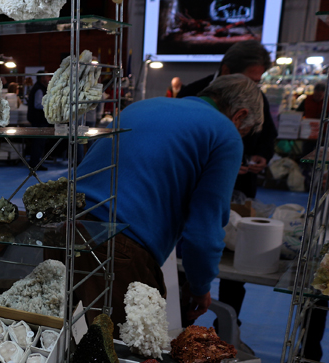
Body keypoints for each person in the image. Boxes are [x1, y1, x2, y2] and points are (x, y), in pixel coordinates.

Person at [74, 74, 264, 328]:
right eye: (245, 132)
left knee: (62, 341)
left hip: (65, 227)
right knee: (124, 347)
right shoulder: (225, 133)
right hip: (117, 246)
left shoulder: (142, 106)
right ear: (240, 115)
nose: (240, 136)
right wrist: (199, 288)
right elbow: (203, 231)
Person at [178, 41, 276, 338]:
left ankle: (227, 331)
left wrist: (260, 157)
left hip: (241, 190)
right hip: (197, 191)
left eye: (258, 81)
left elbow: (266, 136)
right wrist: (199, 288)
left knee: (236, 262)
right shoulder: (194, 93)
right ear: (226, 70)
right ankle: (183, 325)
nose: (254, 86)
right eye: (250, 79)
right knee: (188, 258)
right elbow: (202, 230)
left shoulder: (255, 100)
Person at [27, 73, 51, 170]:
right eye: (47, 76)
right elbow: (37, 104)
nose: (49, 78)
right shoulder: (39, 89)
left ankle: (36, 162)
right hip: (39, 120)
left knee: (39, 142)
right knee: (38, 142)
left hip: (39, 119)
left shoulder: (39, 88)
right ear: (42, 78)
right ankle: (35, 163)